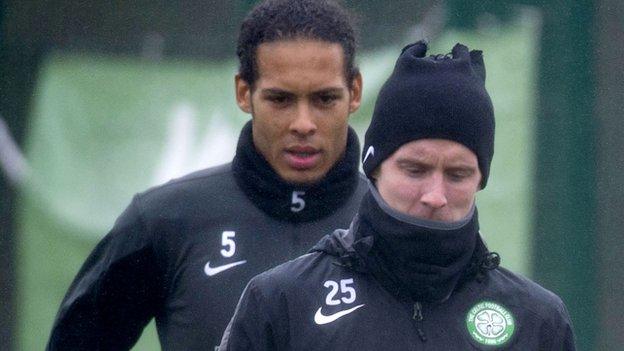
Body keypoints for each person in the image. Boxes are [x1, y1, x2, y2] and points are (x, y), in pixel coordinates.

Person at [46, 1, 366, 349]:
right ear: (244, 93)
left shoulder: (393, 223)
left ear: (355, 93)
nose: (303, 124)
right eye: (280, 100)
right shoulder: (166, 220)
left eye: (324, 99)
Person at [219, 41, 576, 350]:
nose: (435, 196)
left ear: (481, 179)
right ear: (374, 167)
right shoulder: (282, 301)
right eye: (415, 170)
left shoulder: (536, 318)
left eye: (458, 174)